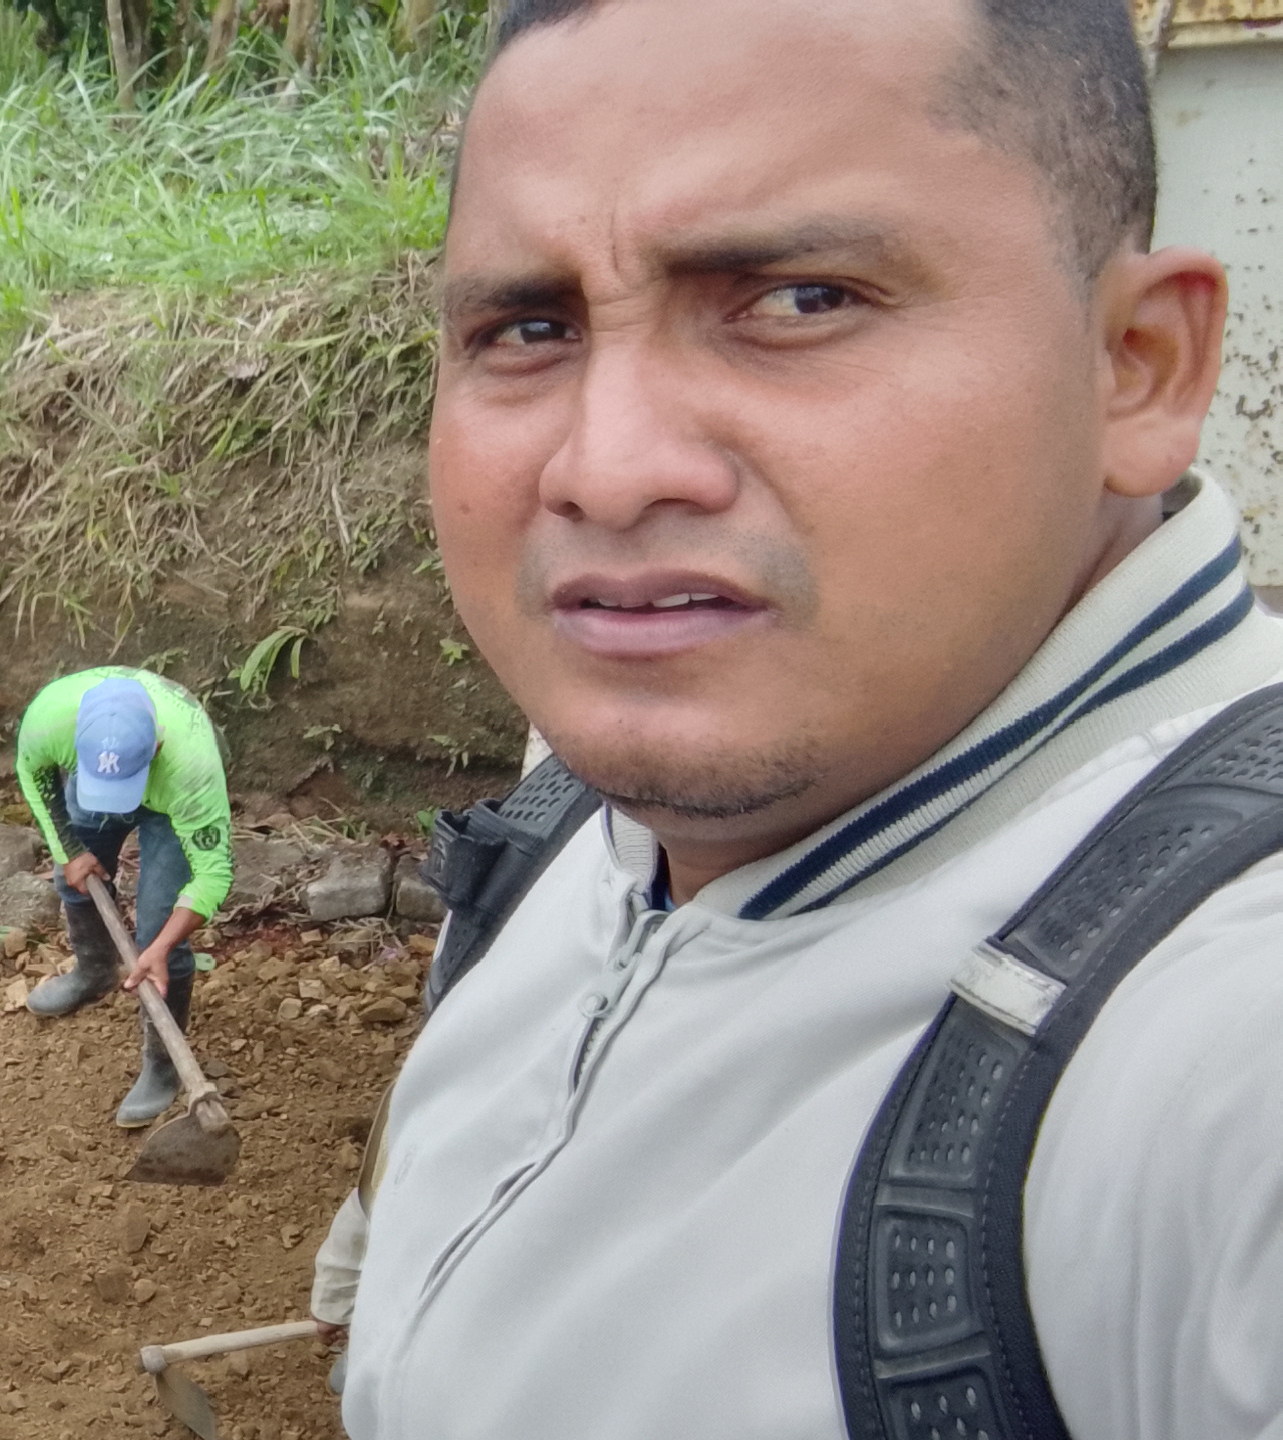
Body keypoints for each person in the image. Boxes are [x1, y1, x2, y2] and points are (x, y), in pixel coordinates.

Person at [345, 0, 1283, 1436]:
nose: (606, 469)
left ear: (1137, 365)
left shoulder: (1226, 1052)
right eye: (527, 328)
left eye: (798, 301)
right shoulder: (570, 834)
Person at [12, 668, 235, 1125]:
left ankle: (163, 1065)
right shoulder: (50, 719)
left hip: (169, 795)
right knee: (70, 879)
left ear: (155, 748)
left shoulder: (193, 766)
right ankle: (94, 972)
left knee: (158, 926)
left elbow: (214, 875)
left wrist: (161, 946)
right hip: (96, 775)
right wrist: (69, 851)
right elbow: (32, 773)